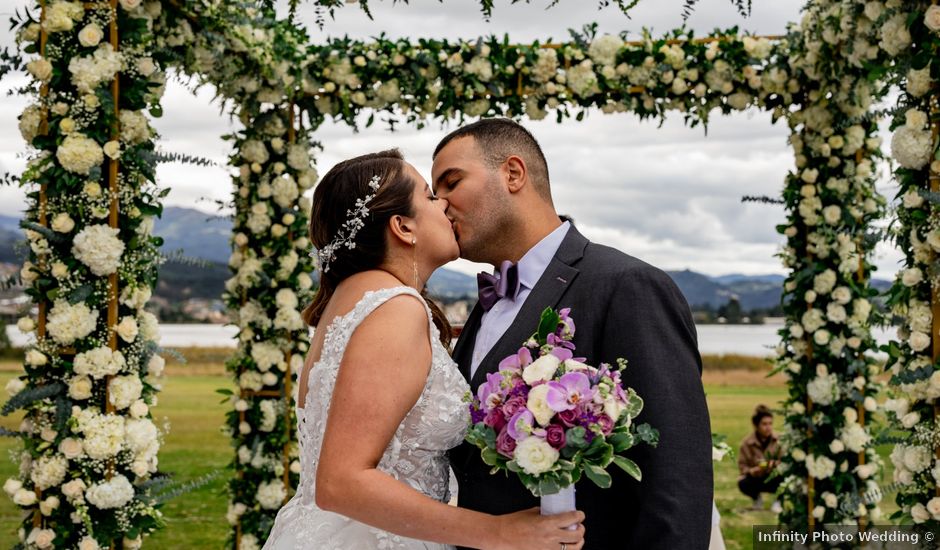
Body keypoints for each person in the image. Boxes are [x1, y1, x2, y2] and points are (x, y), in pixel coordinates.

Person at [263, 150, 586, 550]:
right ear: (402, 226)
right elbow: (340, 482)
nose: (445, 204)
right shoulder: (394, 308)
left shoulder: (350, 301)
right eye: (431, 196)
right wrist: (498, 533)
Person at [432, 119, 713, 549]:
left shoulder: (626, 286)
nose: (440, 206)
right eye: (435, 195)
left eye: (451, 183)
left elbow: (677, 479)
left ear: (513, 173)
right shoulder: (484, 308)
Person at [737, 405, 782, 511]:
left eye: (770, 423)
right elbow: (742, 466)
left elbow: (785, 462)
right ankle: (756, 499)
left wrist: (774, 464)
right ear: (756, 425)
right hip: (757, 478)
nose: (768, 427)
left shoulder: (780, 440)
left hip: (775, 477)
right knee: (742, 482)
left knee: (788, 479)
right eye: (764, 424)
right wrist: (751, 471)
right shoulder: (747, 443)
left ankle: (779, 502)